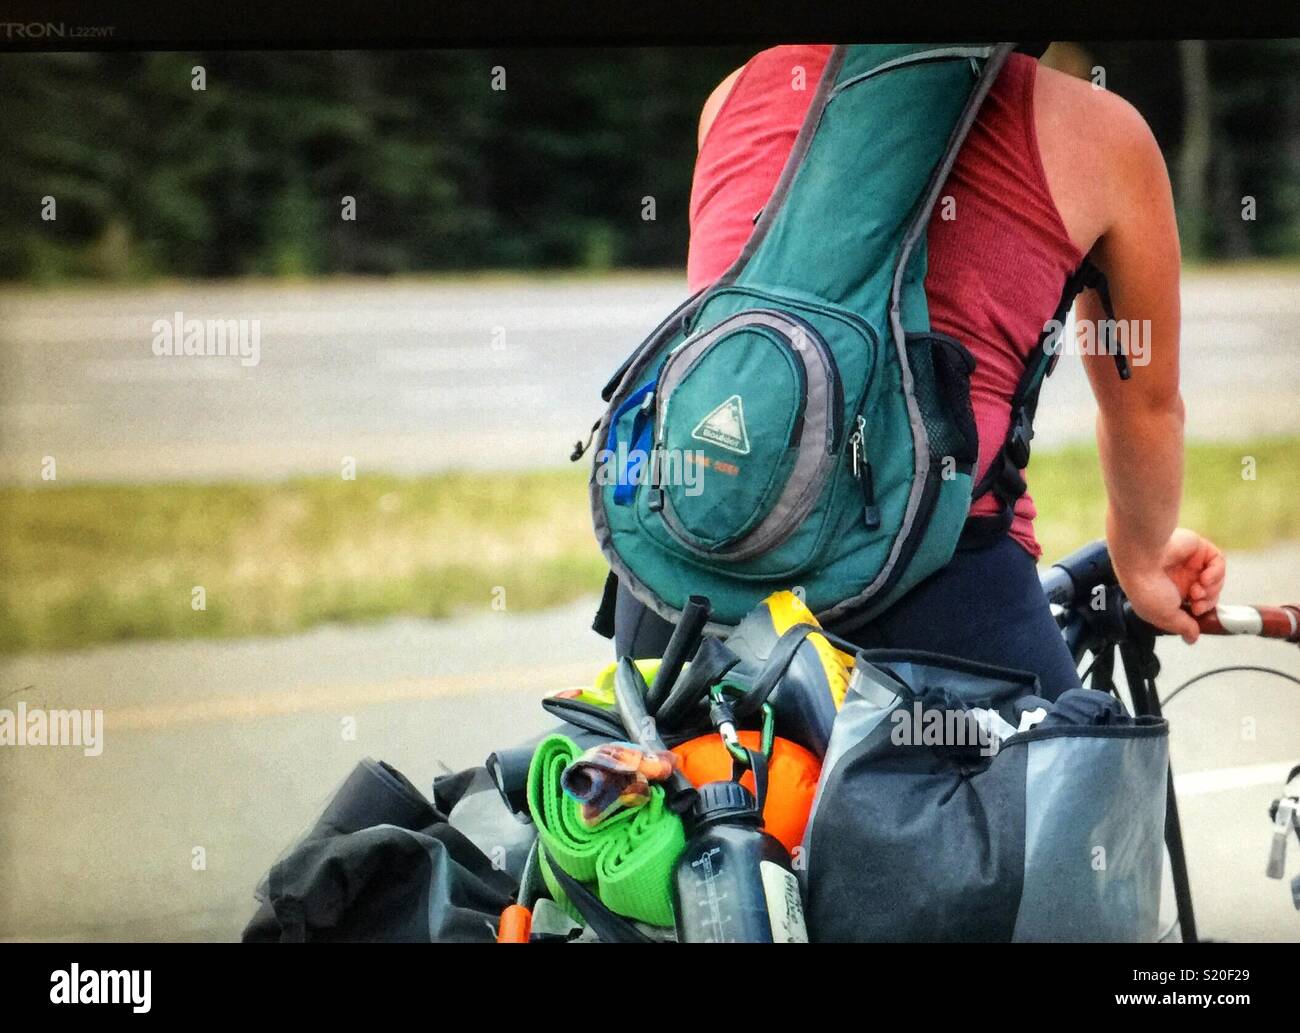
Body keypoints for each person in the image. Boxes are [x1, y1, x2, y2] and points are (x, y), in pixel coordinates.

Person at [614, 44, 1226, 697]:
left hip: (682, 577)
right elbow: (1144, 409)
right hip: (935, 585)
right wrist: (1140, 559)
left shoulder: (735, 92)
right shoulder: (1102, 134)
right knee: (1084, 781)